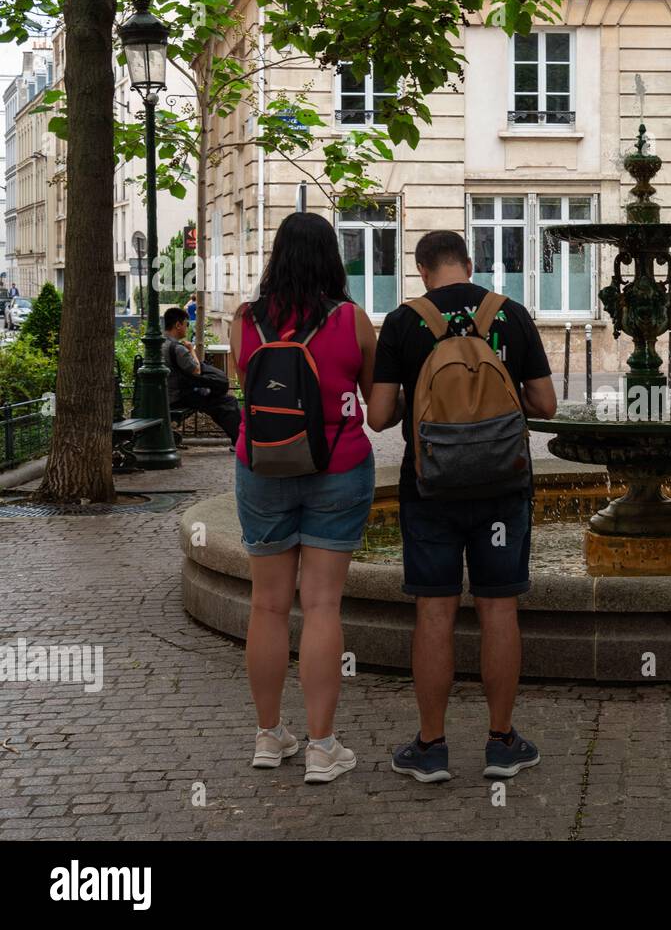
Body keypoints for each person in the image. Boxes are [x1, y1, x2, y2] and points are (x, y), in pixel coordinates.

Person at [368, 230, 557, 784]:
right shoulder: (510, 314)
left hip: (430, 490)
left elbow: (379, 417)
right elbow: (545, 403)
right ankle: (502, 744)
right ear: (470, 265)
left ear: (422, 269)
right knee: (499, 609)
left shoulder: (404, 322)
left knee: (434, 611)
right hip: (502, 487)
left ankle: (431, 747)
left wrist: (414, 393)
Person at [228, 212, 378, 784]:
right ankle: (321, 747)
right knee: (321, 606)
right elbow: (375, 402)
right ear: (331, 257)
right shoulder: (351, 319)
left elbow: (249, 383)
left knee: (267, 606)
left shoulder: (247, 321)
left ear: (277, 256)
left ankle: (269, 736)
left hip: (261, 466)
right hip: (338, 467)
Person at [162, 307, 241, 446]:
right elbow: (196, 370)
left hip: (167, 394)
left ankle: (239, 439)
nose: (187, 328)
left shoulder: (160, 343)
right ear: (178, 325)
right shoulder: (177, 348)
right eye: (186, 324)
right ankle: (241, 441)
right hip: (179, 396)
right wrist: (191, 350)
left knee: (218, 403)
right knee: (227, 402)